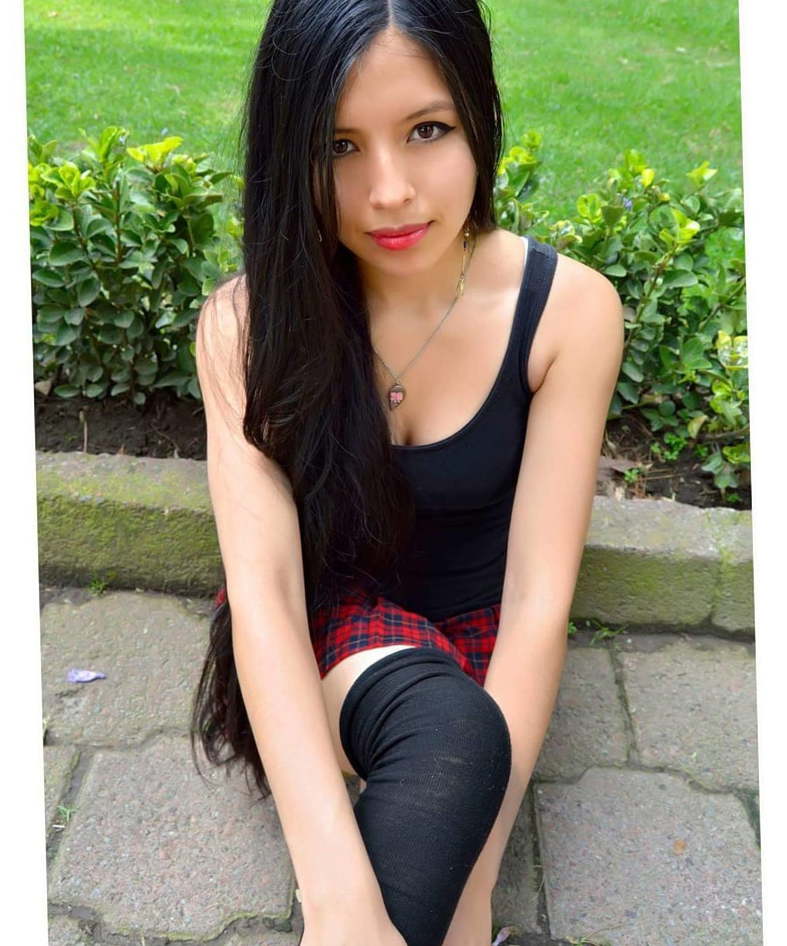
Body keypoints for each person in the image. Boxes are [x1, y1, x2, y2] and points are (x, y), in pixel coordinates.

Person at [190, 2, 624, 945]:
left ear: (479, 117)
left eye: (426, 130)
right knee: (447, 738)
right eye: (338, 146)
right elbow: (264, 596)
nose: (388, 191)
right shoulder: (245, 325)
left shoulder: (566, 312)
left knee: (461, 750)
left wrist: (476, 878)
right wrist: (335, 901)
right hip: (326, 629)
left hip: (483, 635)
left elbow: (537, 599)